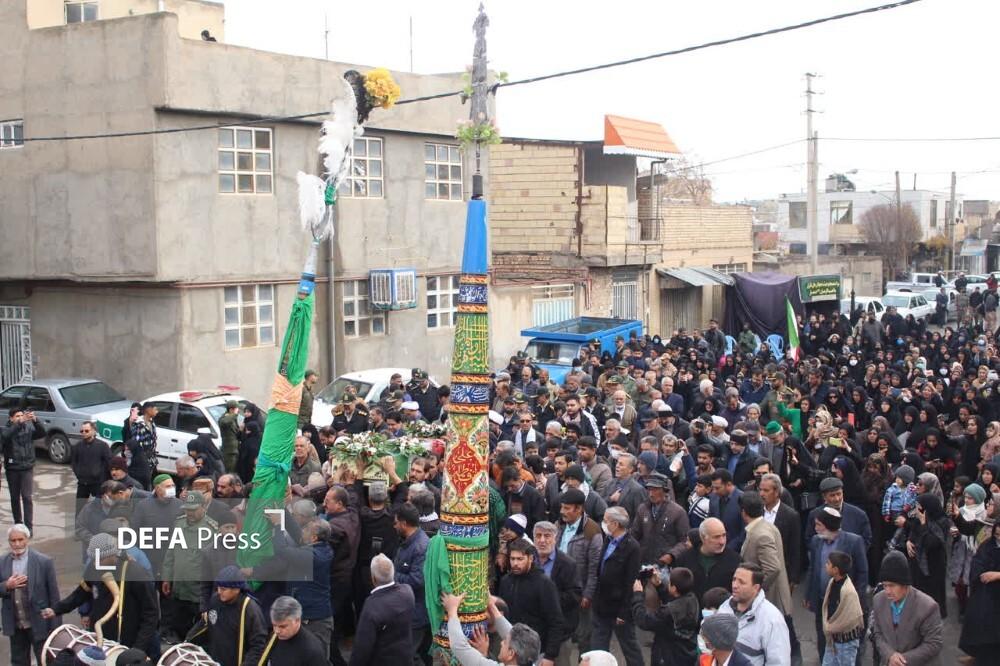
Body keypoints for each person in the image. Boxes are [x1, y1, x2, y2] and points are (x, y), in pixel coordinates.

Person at [44, 533, 158, 651]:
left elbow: (151, 614)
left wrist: (138, 648)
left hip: (128, 641)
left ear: (112, 555)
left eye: (100, 559)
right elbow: (80, 594)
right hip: (100, 638)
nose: (95, 563)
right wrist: (56, 609)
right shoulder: (94, 567)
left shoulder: (136, 573)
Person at [804, 507, 867, 659]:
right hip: (823, 601)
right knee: (823, 637)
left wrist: (856, 598)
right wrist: (808, 595)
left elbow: (862, 572)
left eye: (818, 524)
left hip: (844, 603)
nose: (815, 528)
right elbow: (812, 568)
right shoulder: (816, 541)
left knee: (847, 644)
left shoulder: (854, 541)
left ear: (828, 525)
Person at [498, 538, 565, 666]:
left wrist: (550, 656)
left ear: (530, 559)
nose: (515, 563)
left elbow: (556, 621)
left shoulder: (544, 584)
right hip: (510, 649)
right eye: (512, 559)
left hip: (537, 653)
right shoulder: (506, 581)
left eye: (520, 559)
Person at [0, 524, 61, 666]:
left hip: (40, 624)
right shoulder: (2, 562)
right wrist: (7, 585)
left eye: (20, 539)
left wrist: (56, 628)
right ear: (9, 542)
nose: (17, 544)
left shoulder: (44, 562)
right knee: (18, 662)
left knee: (45, 661)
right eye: (13, 540)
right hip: (16, 626)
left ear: (27, 539)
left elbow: (54, 596)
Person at [162, 490, 218, 642]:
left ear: (203, 507)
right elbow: (171, 552)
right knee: (178, 622)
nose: (190, 513)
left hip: (197, 589)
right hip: (179, 586)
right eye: (187, 509)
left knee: (196, 629)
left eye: (193, 510)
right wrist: (167, 577)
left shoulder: (211, 529)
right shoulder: (179, 523)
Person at [869, 551, 943, 666]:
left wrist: (901, 660)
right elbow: (878, 633)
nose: (887, 591)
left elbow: (933, 643)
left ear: (905, 584)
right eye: (884, 585)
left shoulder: (928, 607)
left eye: (892, 586)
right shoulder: (878, 600)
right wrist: (889, 655)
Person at [591, 507, 642, 666]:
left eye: (606, 520)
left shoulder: (632, 547)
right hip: (602, 604)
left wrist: (624, 612)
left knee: (629, 647)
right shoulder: (608, 540)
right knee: (598, 647)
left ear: (615, 524)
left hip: (619, 607)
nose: (603, 523)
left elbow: (630, 582)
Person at [556, 488, 602, 655]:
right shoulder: (559, 525)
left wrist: (588, 594)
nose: (562, 512)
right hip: (560, 589)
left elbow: (594, 568)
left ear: (579, 509)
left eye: (567, 508)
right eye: (562, 507)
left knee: (583, 636)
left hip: (580, 591)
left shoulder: (592, 531)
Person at [715, 564, 791, 666]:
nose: (734, 585)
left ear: (756, 588)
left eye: (741, 582)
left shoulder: (772, 619)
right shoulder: (725, 607)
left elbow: (779, 662)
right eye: (734, 579)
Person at [441, 591, 541, 666]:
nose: (502, 643)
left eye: (505, 642)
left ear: (511, 654)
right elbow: (513, 634)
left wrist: (452, 610)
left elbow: (459, 647)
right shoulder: (529, 661)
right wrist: (492, 606)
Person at [195, 565, 268, 666]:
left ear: (237, 589)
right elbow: (205, 624)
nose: (219, 591)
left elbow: (258, 645)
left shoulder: (250, 609)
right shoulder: (215, 600)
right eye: (218, 587)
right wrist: (187, 641)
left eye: (223, 589)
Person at [350, 554, 415, 666]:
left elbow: (362, 647)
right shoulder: (407, 592)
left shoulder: (372, 606)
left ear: (373, 578)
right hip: (405, 658)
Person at [533, 521, 581, 666]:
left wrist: (549, 600)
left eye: (547, 536)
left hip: (560, 634)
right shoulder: (528, 560)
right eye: (538, 536)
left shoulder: (568, 564)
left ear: (555, 538)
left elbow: (575, 595)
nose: (542, 540)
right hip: (533, 633)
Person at [630, 565, 699, 666]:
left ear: (674, 588)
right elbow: (674, 601)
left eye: (669, 582)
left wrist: (637, 594)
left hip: (668, 657)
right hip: (686, 654)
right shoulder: (692, 599)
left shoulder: (668, 612)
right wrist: (659, 586)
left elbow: (643, 621)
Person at [393, 502, 431, 666]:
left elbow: (417, 580)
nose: (394, 526)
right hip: (411, 609)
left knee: (407, 656)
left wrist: (392, 576)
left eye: (396, 523)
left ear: (404, 524)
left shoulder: (420, 547)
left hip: (417, 613)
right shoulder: (408, 541)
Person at [958, 521, 1000, 663]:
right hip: (986, 592)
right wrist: (982, 574)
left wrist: (997, 575)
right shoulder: (988, 545)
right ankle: (977, 654)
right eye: (997, 535)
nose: (998, 538)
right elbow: (978, 564)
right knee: (979, 618)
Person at [629, 473, 690, 567]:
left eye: (655, 490)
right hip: (644, 563)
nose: (651, 494)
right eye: (649, 489)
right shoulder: (642, 509)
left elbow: (685, 541)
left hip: (667, 566)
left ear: (665, 491)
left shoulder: (678, 512)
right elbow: (634, 534)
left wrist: (672, 555)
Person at [674, 518, 741, 601]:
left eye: (724, 535)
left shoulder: (735, 561)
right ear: (703, 537)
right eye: (716, 537)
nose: (722, 542)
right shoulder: (685, 559)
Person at [1, 407, 45, 530]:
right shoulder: (6, 429)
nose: (21, 418)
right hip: (12, 468)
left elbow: (42, 433)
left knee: (27, 497)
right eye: (17, 416)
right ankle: (18, 523)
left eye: (22, 416)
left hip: (27, 468)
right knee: (15, 498)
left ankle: (28, 527)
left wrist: (35, 420)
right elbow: (5, 436)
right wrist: (19, 423)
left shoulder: (28, 428)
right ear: (11, 418)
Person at [820, 551, 864, 666]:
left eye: (828, 563)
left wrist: (830, 627)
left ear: (835, 569)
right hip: (833, 640)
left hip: (846, 643)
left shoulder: (848, 591)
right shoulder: (832, 582)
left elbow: (850, 619)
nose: (825, 565)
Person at [257, 596, 329, 665]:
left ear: (297, 620)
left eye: (283, 626)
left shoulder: (312, 651)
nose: (277, 631)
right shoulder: (274, 638)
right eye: (274, 625)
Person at [70, 421, 111, 502]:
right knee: (80, 506)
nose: (84, 433)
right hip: (82, 483)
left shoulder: (102, 446)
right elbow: (74, 462)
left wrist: (104, 480)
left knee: (99, 506)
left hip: (98, 483)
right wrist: (79, 474)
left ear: (93, 431)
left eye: (86, 431)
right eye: (82, 431)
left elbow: (109, 463)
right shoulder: (78, 446)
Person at [218, 400, 242, 473]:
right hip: (229, 451)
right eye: (236, 409)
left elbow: (235, 432)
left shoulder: (232, 419)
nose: (238, 411)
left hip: (236, 449)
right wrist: (235, 414)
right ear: (231, 409)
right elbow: (225, 422)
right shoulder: (224, 419)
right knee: (230, 470)